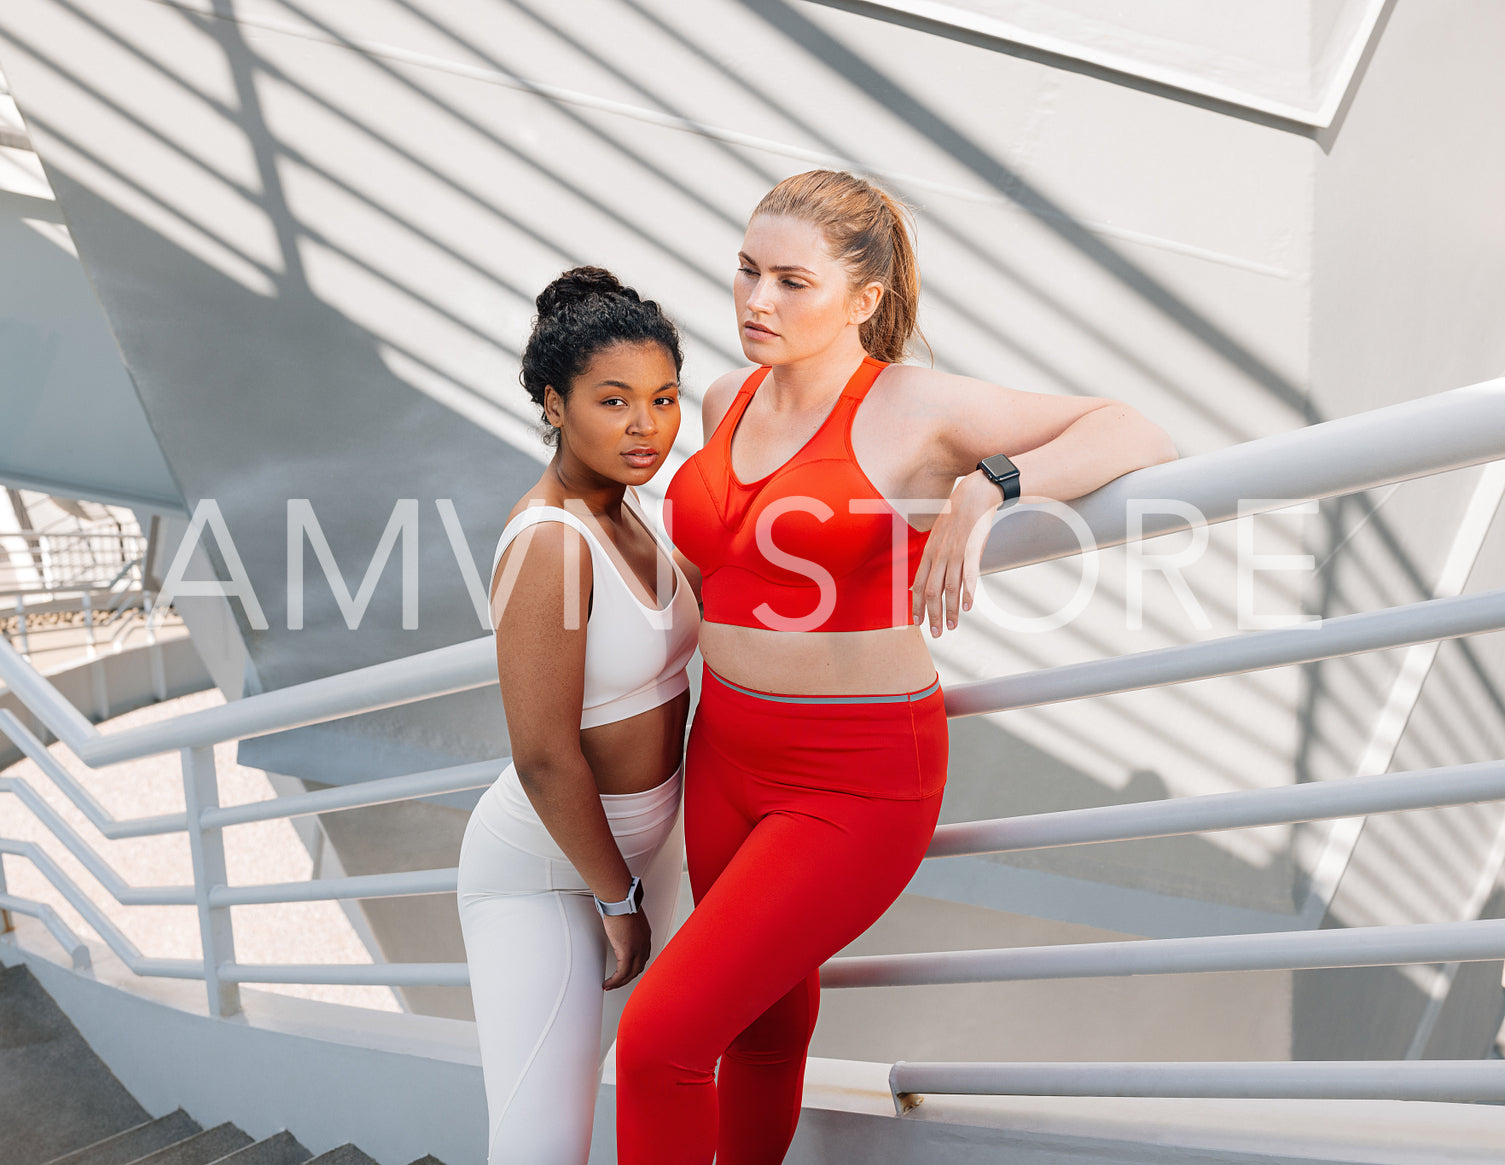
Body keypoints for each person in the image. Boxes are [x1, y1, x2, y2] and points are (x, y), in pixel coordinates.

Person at [613, 170, 1179, 1164]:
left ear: (862, 300)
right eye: (745, 270)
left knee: (658, 1038)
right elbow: (719, 568)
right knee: (758, 1024)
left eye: (791, 281)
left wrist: (990, 485)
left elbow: (1133, 429)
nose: (754, 300)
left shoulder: (916, 411)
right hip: (724, 746)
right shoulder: (722, 395)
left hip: (853, 778)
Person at [455, 266, 699, 1165]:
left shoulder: (637, 516)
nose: (647, 427)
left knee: (677, 1065)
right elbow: (545, 756)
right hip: (550, 870)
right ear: (554, 404)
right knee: (542, 1141)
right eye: (614, 401)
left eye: (664, 398)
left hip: (647, 847)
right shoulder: (549, 541)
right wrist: (617, 898)